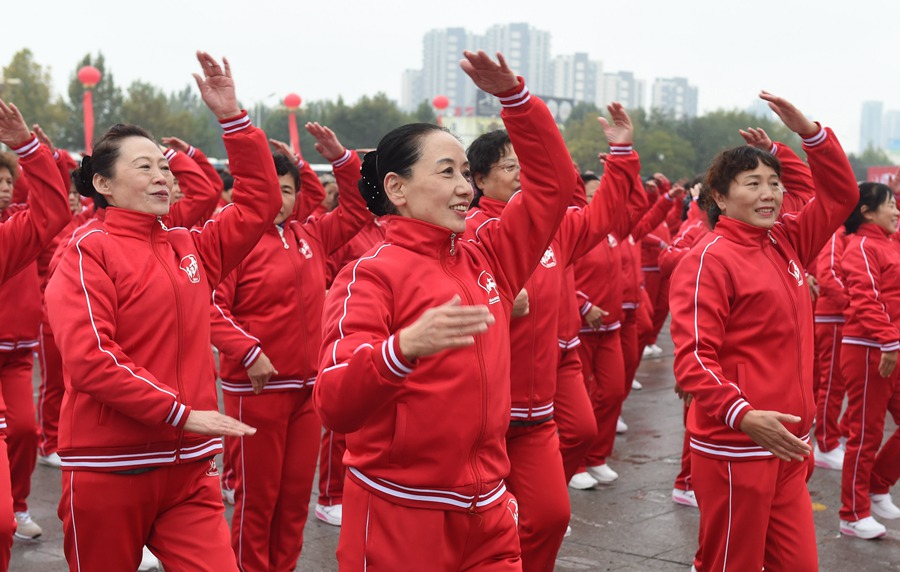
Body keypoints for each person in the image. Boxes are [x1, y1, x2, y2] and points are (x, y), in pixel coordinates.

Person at [314, 50, 575, 571]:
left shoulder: (489, 257)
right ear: (397, 188)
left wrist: (516, 101)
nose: (465, 188)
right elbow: (334, 402)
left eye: (466, 173)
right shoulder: (370, 273)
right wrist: (401, 350)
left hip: (489, 510)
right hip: (400, 512)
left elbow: (554, 185)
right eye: (448, 172)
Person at [44, 51, 281, 571]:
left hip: (189, 470)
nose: (161, 178)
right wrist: (180, 413)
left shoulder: (188, 246)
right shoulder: (86, 251)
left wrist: (233, 120)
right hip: (111, 466)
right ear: (103, 185)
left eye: (163, 167)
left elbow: (257, 204)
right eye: (143, 167)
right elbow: (89, 357)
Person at [669, 92, 857, 571]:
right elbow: (692, 359)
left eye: (774, 183)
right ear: (719, 196)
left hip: (790, 446)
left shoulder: (787, 239)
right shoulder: (707, 260)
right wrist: (743, 415)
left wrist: (807, 134)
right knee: (730, 563)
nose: (769, 194)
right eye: (752, 184)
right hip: (736, 447)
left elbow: (840, 195)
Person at [464, 106, 638, 570]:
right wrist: (498, 302)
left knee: (552, 513)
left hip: (546, 385)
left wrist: (620, 153)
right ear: (478, 180)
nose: (522, 175)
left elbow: (603, 214)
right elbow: (454, 297)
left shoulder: (555, 227)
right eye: (509, 167)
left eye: (526, 164)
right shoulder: (471, 231)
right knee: (484, 530)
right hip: (491, 404)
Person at [210, 122, 368, 570]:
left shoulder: (310, 235)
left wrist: (342, 158)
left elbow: (356, 208)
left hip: (307, 389)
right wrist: (248, 351)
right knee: (258, 500)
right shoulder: (233, 244)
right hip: (256, 390)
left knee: (295, 497)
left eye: (287, 190)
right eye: (270, 190)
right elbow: (209, 306)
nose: (279, 201)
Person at [0, 96, 70, 571]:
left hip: (16, 354)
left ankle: (19, 504)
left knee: (25, 431)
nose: (4, 189)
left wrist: (27, 147)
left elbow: (52, 209)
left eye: (8, 181)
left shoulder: (12, 233)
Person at [838, 182, 900, 539]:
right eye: (890, 205)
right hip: (869, 350)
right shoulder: (860, 246)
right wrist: (888, 341)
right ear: (867, 211)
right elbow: (866, 297)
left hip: (891, 348)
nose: (896, 212)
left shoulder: (889, 244)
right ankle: (852, 512)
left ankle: (878, 485)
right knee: (865, 433)